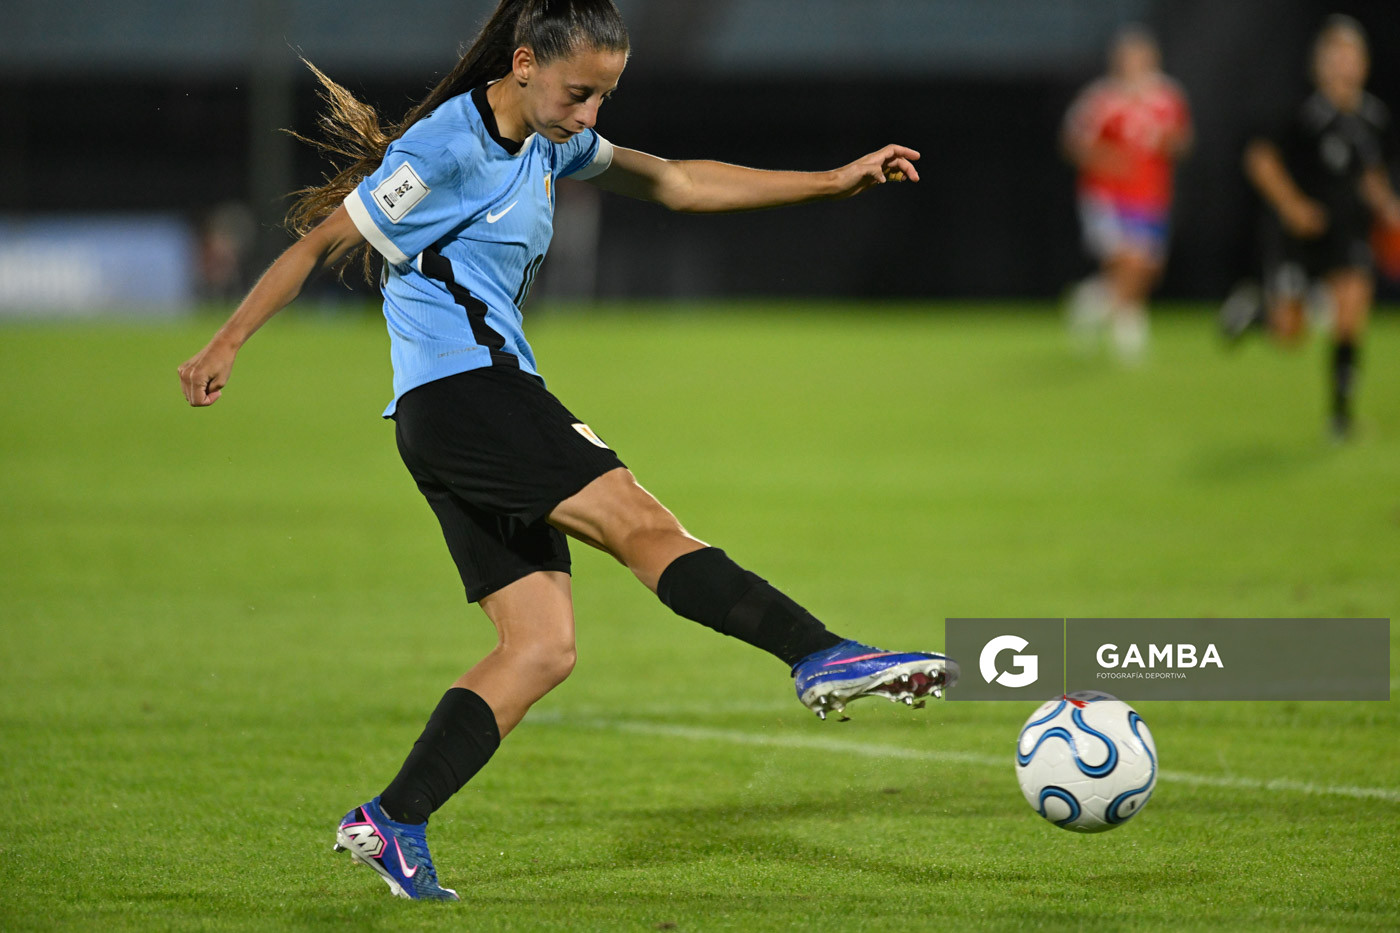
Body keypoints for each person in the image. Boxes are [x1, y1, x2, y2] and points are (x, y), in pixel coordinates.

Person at [177, 0, 958, 902]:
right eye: (580, 93)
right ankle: (819, 652)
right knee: (641, 522)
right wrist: (226, 341)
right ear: (522, 64)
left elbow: (677, 182)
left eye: (603, 98)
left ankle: (393, 818)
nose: (590, 116)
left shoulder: (548, 140)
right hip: (474, 398)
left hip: (449, 417)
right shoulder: (442, 149)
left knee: (540, 647)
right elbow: (320, 244)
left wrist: (832, 182)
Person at [1224, 15, 1400, 439]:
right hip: (1298, 236)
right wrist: (1292, 205)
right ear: (1318, 64)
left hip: (1348, 233)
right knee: (1290, 334)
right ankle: (1256, 312)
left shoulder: (1372, 118)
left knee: (1351, 311)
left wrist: (1389, 208)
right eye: (1334, 57)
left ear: (1363, 63)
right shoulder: (1301, 113)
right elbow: (1260, 159)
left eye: (1351, 57)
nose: (1343, 66)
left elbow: (1371, 174)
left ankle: (1340, 417)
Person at [1062, 26, 1192, 362]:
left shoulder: (1167, 96)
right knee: (1127, 261)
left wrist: (1170, 144)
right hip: (1108, 195)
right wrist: (1108, 159)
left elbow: (1182, 140)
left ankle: (1091, 302)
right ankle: (1128, 332)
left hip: (1151, 195)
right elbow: (1073, 142)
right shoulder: (1101, 98)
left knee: (1148, 268)